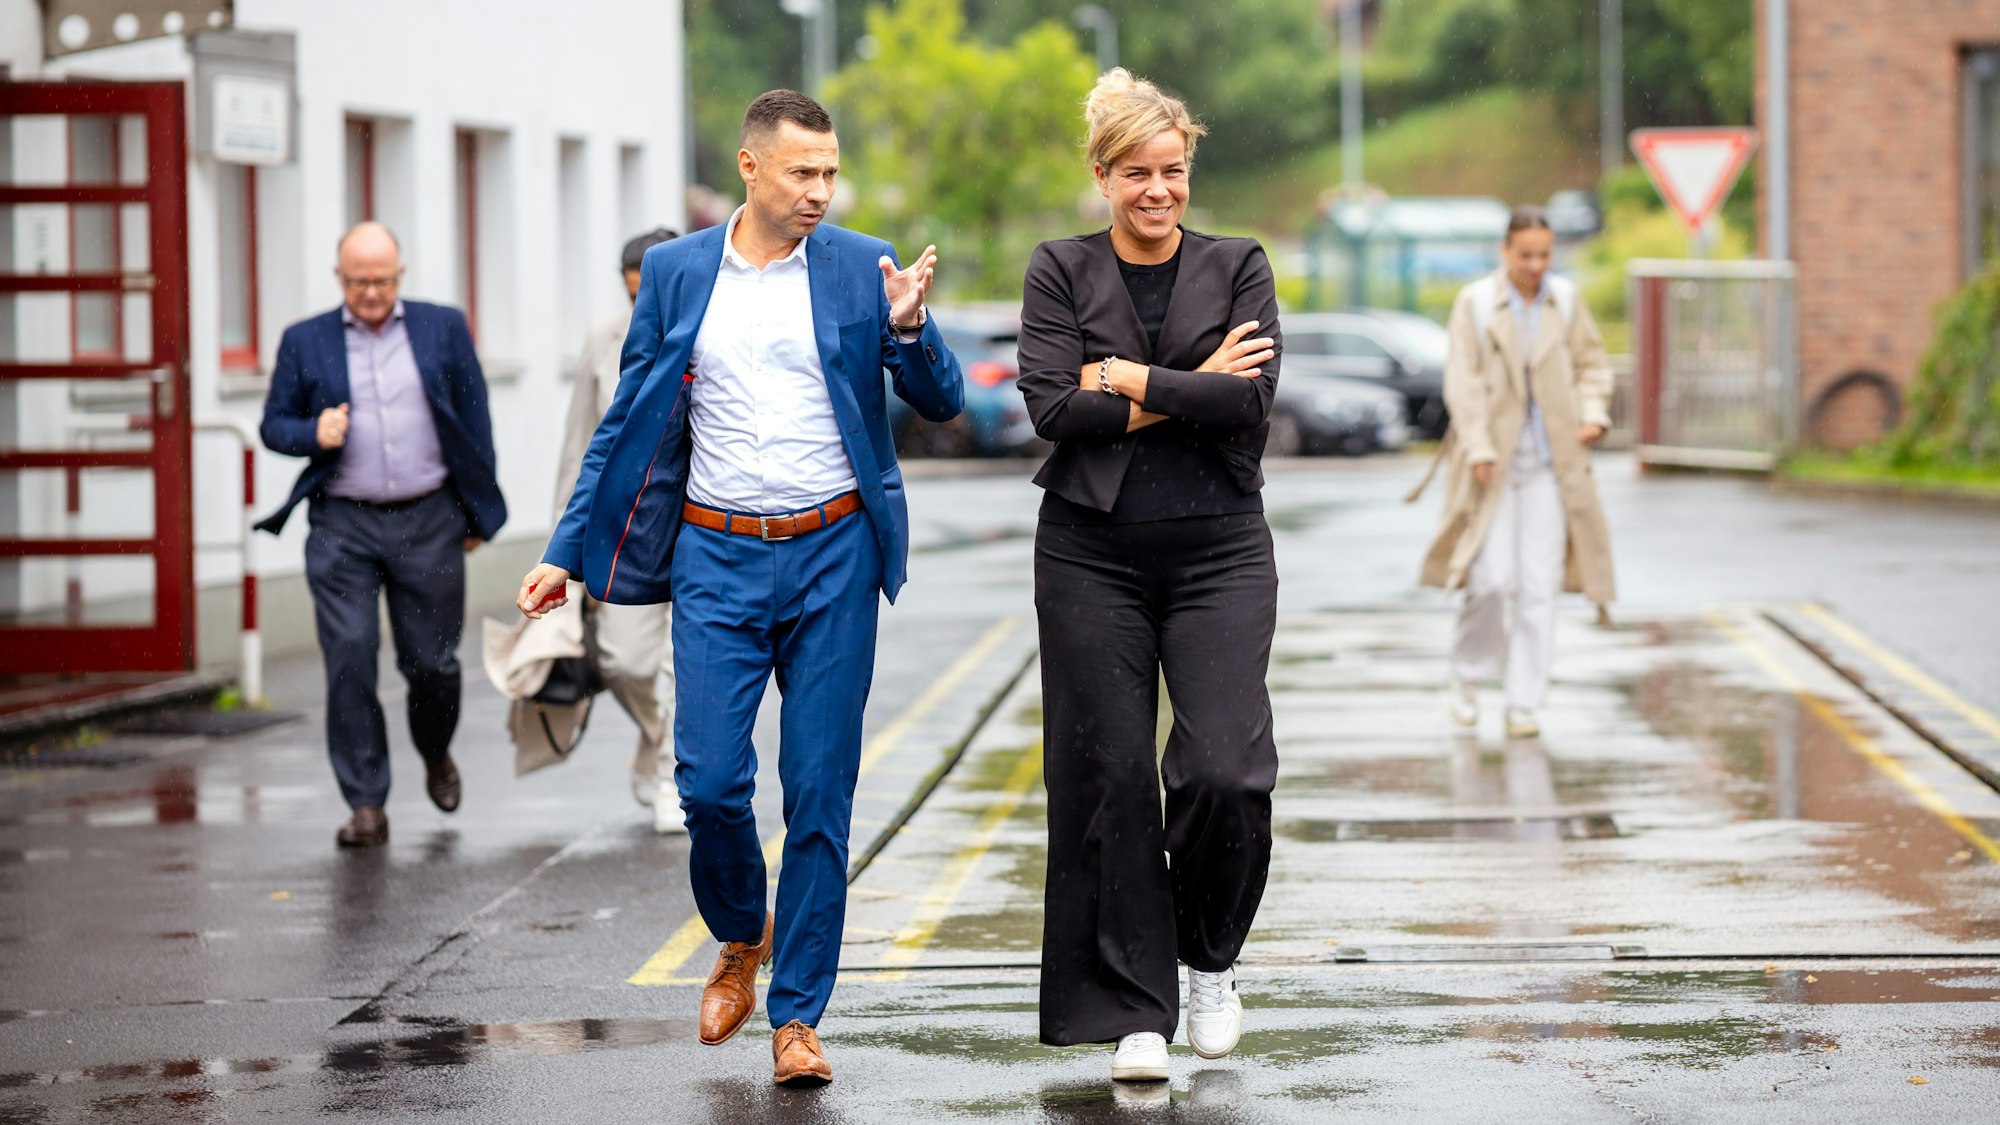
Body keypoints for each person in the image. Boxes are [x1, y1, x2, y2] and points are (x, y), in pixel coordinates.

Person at [515, 90, 961, 1087]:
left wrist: (907, 329)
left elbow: (942, 402)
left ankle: (798, 1016)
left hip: (833, 553)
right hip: (713, 558)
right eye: (802, 172)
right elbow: (625, 419)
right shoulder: (676, 275)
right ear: (751, 168)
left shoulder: (858, 264)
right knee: (709, 783)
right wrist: (566, 547)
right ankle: (737, 933)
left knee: (817, 794)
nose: (820, 191)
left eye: (830, 173)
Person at [1016, 68, 1281, 1084]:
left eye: (1171, 170)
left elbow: (1248, 406)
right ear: (1102, 175)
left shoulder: (1238, 264)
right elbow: (1051, 410)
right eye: (1136, 172)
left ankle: (1209, 959)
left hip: (1218, 547)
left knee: (1222, 767)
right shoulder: (1057, 269)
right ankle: (1135, 1010)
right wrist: (1191, 385)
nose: (1157, 189)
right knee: (1108, 776)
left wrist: (1123, 378)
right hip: (1089, 549)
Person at [256, 221, 506, 848]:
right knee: (349, 658)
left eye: (384, 280)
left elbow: (475, 420)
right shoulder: (305, 340)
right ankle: (366, 802)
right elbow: (272, 425)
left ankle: (434, 749)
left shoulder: (441, 326)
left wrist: (476, 516)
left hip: (429, 519)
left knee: (433, 663)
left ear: (401, 276)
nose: (373, 292)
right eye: (360, 281)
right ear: (340, 279)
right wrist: (314, 433)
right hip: (343, 523)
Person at [1417, 206, 1617, 738]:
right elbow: (1462, 381)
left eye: (1545, 255)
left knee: (1539, 585)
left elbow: (1593, 366)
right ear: (1505, 251)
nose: (1536, 265)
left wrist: (1593, 413)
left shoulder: (1566, 300)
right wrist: (1479, 445)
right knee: (1489, 579)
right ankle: (1468, 676)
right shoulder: (1477, 304)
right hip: (1492, 465)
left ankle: (1524, 702)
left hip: (1554, 465)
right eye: (1526, 254)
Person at [550, 226, 683, 834]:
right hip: (628, 530)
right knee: (625, 661)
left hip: (704, 523)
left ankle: (666, 773)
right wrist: (563, 552)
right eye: (632, 295)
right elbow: (583, 445)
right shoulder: (604, 342)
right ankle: (655, 738)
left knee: (690, 664)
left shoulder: (709, 326)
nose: (641, 305)